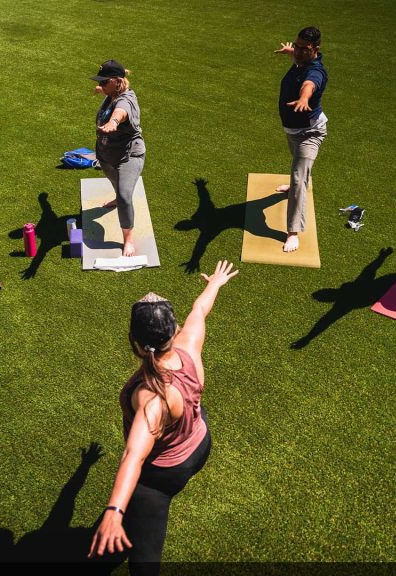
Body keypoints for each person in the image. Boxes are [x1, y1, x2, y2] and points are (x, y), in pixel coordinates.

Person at [89, 260, 239, 575]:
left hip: (162, 475)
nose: (151, 295)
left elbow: (133, 455)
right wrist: (214, 283)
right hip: (199, 441)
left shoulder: (150, 399)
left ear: (134, 344)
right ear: (175, 331)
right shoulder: (189, 344)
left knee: (143, 563)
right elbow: (200, 310)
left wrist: (114, 511)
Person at [274, 26, 328, 253]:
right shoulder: (300, 59)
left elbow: (309, 84)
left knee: (298, 179)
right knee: (299, 169)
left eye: (302, 48)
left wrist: (304, 98)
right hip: (292, 132)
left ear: (315, 49)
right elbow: (298, 59)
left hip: (310, 134)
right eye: (295, 45)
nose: (297, 51)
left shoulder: (315, 72)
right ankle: (299, 182)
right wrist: (291, 51)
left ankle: (293, 233)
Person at [91, 59, 146, 258]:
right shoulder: (112, 92)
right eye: (100, 82)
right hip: (107, 154)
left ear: (116, 81)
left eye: (105, 82)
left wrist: (113, 122)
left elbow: (120, 112)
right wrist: (102, 89)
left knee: (124, 196)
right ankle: (118, 196)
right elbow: (111, 98)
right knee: (114, 182)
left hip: (128, 156)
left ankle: (128, 239)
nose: (101, 85)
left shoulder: (126, 99)